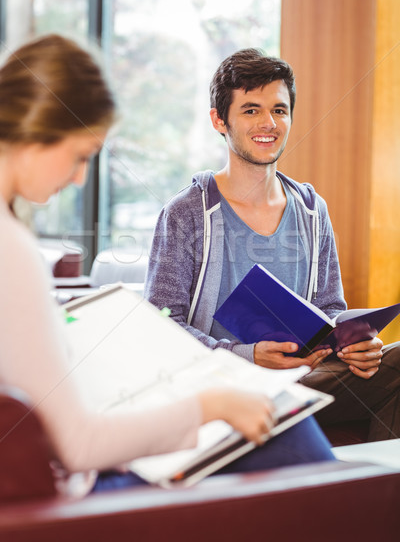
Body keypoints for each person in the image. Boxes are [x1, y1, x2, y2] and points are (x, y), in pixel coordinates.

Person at [0, 36, 334, 497]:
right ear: (36, 132)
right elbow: (79, 441)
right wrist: (212, 404)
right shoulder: (13, 248)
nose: (79, 177)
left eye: (279, 110)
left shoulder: (312, 210)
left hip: (77, 451)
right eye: (79, 156)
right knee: (286, 433)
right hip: (74, 480)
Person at [145, 48, 400, 442]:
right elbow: (160, 325)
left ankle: (377, 491)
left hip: (303, 379)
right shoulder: (185, 213)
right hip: (227, 387)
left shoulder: (312, 210)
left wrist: (354, 345)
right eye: (250, 110)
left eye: (279, 110)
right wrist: (246, 355)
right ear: (219, 120)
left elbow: (330, 309)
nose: (269, 123)